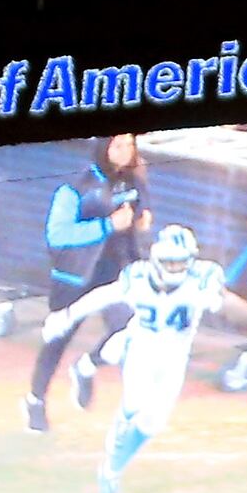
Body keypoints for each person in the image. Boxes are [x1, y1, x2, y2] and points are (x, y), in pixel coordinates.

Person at [30, 228, 247, 493]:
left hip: (175, 357)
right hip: (142, 348)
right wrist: (67, 315)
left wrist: (223, 300)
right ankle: (110, 473)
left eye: (181, 262)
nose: (175, 268)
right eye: (170, 262)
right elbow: (103, 296)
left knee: (152, 423)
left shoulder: (203, 278)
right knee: (133, 405)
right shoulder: (138, 277)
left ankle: (95, 362)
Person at [13, 133, 147, 412]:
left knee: (130, 330)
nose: (126, 152)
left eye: (130, 146)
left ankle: (87, 366)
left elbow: (136, 210)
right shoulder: (74, 187)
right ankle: (35, 400)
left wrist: (140, 220)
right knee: (57, 339)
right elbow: (58, 236)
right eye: (119, 146)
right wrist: (106, 226)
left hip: (116, 273)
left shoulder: (133, 179)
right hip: (75, 276)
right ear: (103, 148)